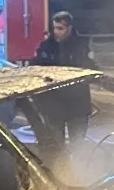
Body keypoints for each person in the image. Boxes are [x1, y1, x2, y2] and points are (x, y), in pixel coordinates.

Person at [34, 11, 96, 151]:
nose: (56, 32)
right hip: (53, 105)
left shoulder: (81, 46)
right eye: (55, 28)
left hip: (77, 104)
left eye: (60, 28)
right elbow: (36, 70)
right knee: (56, 147)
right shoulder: (46, 47)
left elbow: (90, 69)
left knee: (78, 146)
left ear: (69, 28)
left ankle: (77, 164)